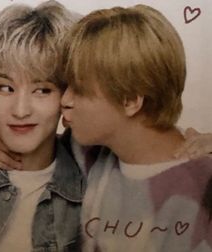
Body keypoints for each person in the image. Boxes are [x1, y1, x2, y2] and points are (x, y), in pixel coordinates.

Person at [61, 5, 212, 251]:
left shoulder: (204, 184)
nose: (64, 101)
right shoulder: (87, 153)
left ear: (130, 101)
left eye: (79, 89)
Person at [0, 1, 84, 251]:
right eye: (5, 88)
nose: (21, 110)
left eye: (42, 90)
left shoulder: (96, 179)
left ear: (67, 96)